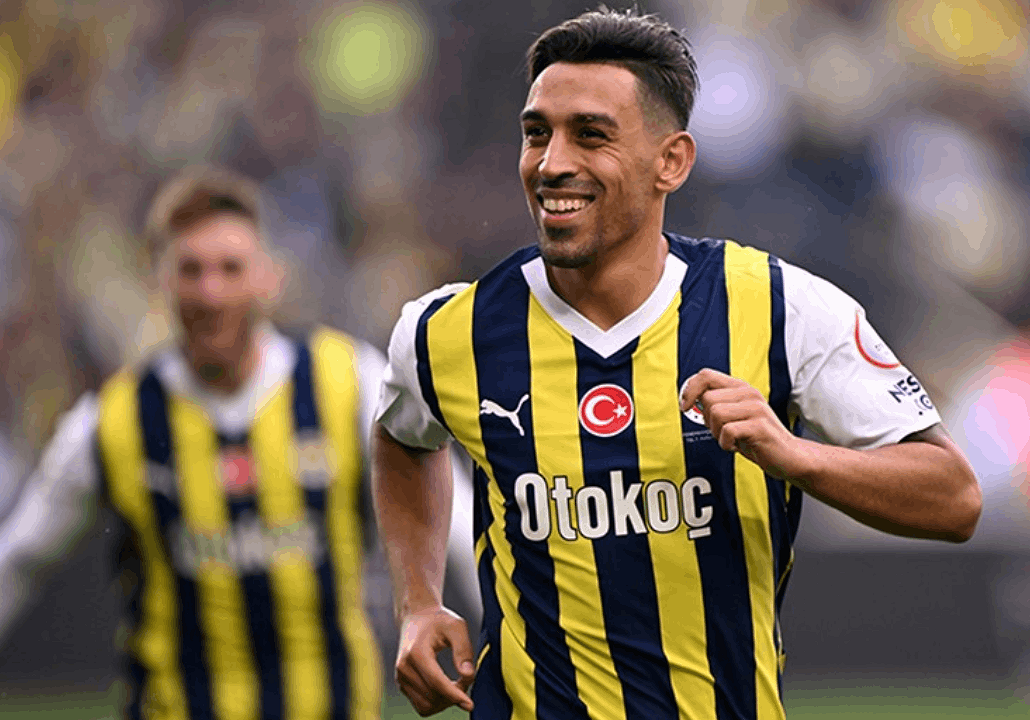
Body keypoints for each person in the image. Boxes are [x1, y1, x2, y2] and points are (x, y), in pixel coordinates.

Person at [371, 8, 983, 720]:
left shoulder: (781, 308)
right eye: (537, 133)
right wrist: (419, 601)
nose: (551, 162)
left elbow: (953, 498)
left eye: (590, 135)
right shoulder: (447, 331)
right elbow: (402, 436)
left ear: (672, 161)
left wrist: (796, 457)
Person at [0, 166, 388, 720]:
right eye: (191, 270)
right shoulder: (114, 423)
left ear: (269, 277)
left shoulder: (349, 385)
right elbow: (12, 566)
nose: (211, 292)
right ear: (160, 281)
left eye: (230, 268)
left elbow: (451, 521)